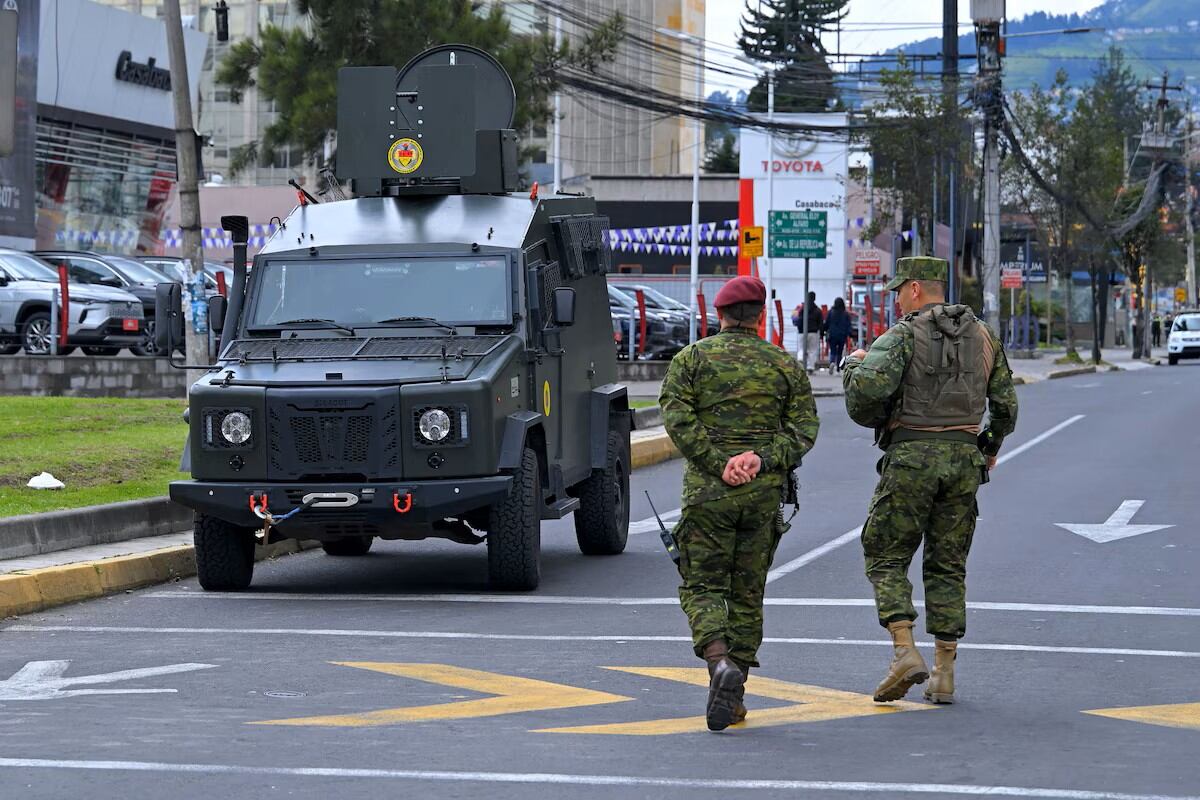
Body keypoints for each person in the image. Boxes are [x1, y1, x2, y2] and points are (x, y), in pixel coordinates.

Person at [841, 257, 1018, 705]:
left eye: (900, 289)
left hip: (911, 457)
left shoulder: (902, 335)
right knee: (947, 562)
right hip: (963, 461)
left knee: (884, 553)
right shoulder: (984, 336)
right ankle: (944, 671)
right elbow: (1007, 406)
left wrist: (853, 367)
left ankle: (903, 649)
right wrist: (988, 446)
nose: (898, 297)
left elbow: (865, 400)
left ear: (916, 288)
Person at [660, 275, 819, 731]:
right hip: (763, 495)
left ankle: (718, 664)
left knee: (702, 586)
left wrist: (717, 462)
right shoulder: (784, 365)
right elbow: (804, 429)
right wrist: (759, 458)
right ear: (761, 315)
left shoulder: (692, 359)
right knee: (748, 595)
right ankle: (737, 692)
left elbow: (676, 416)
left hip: (708, 496)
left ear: (720, 314)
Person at [794, 291, 823, 372]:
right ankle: (810, 367)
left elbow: (797, 320)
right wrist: (821, 333)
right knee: (812, 350)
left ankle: (800, 358)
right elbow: (820, 323)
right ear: (814, 298)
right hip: (813, 332)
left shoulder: (802, 309)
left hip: (801, 332)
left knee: (801, 348)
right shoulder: (818, 310)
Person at [824, 297, 852, 373]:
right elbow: (848, 325)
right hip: (842, 335)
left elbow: (827, 323)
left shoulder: (830, 312)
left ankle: (832, 362)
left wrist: (824, 330)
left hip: (832, 335)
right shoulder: (846, 314)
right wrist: (849, 333)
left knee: (833, 350)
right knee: (839, 352)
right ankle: (838, 368)